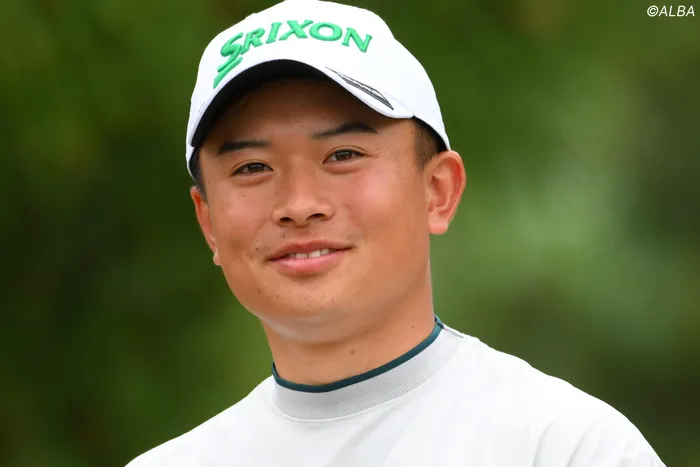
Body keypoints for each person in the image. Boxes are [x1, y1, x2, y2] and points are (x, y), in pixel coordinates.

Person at [127, 0, 665, 465]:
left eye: (343, 155)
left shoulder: (567, 449)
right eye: (252, 168)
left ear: (438, 191)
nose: (299, 205)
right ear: (208, 223)